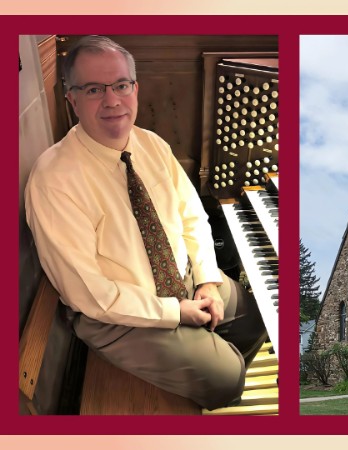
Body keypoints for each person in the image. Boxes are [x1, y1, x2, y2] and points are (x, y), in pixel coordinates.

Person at [24, 36, 266, 410]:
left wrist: (206, 280)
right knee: (228, 375)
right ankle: (212, 388)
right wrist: (176, 313)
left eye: (121, 85)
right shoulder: (53, 180)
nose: (112, 100)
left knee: (254, 320)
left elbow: (191, 214)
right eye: (93, 89)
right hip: (117, 314)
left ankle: (202, 373)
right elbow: (88, 294)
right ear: (71, 98)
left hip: (181, 280)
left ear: (135, 89)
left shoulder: (150, 143)